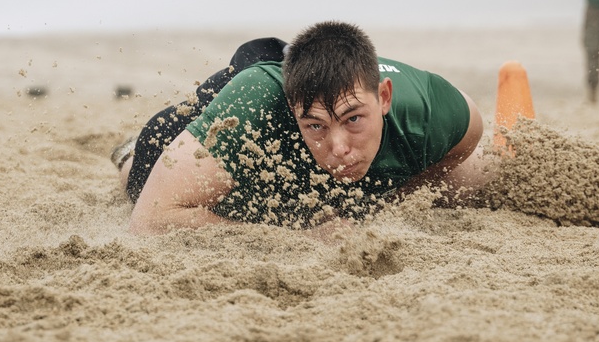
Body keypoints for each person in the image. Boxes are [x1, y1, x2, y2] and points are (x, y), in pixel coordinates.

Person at [111, 21, 489, 235]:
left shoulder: (436, 110)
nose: (338, 146)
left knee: (475, 180)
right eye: (316, 127)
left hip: (308, 80)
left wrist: (391, 197)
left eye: (353, 119)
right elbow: (149, 220)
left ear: (384, 98)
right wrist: (301, 237)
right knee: (143, 173)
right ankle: (127, 152)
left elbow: (465, 141)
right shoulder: (256, 106)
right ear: (294, 112)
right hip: (242, 105)